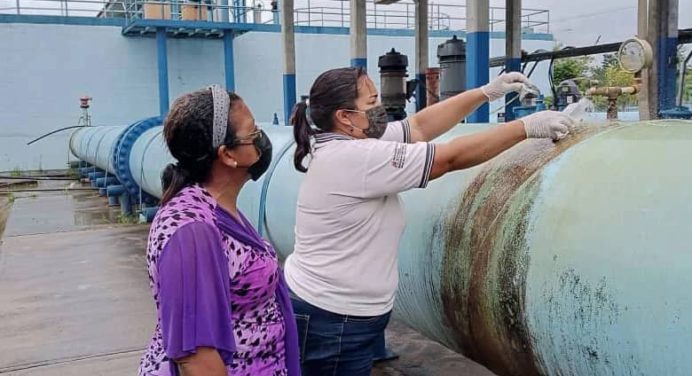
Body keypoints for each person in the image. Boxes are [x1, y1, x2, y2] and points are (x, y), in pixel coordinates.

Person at [285, 67, 573, 376]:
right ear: (345, 116)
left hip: (339, 313)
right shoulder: (353, 156)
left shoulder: (343, 140)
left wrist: (486, 93)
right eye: (372, 101)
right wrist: (525, 128)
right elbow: (445, 159)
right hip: (333, 318)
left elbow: (419, 126)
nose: (379, 108)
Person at [138, 85, 300, 376]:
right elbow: (197, 358)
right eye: (253, 134)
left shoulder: (216, 208)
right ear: (226, 155)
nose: (261, 140)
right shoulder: (192, 232)